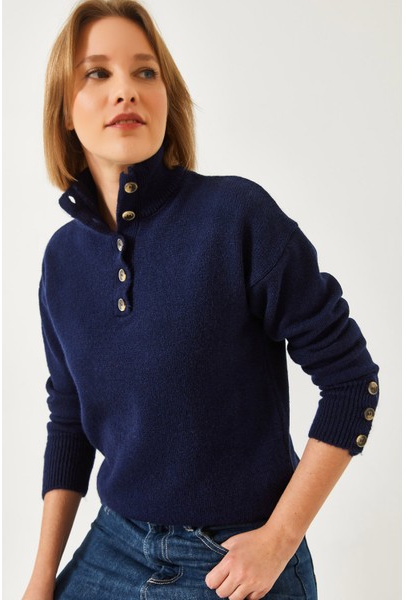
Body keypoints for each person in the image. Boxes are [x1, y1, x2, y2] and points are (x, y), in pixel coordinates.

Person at [22, 1, 379, 599]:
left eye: (145, 71)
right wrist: (40, 579)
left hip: (233, 557)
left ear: (168, 97)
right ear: (64, 111)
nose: (125, 90)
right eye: (97, 73)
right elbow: (69, 418)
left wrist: (279, 539)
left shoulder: (236, 217)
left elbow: (352, 380)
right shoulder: (62, 259)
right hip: (113, 544)